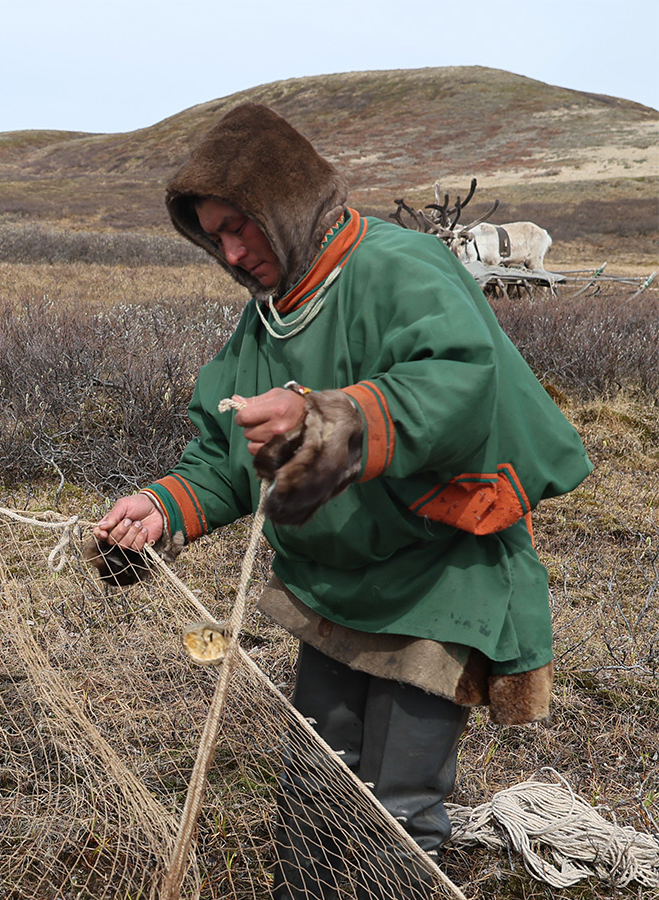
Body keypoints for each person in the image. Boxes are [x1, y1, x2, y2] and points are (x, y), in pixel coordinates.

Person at [90, 103, 591, 895]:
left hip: (435, 576)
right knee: (316, 796)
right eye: (214, 235)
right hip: (337, 587)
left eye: (241, 226)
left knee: (395, 811)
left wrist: (333, 419)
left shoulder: (402, 269)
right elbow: (225, 456)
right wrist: (165, 508)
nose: (231, 251)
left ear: (285, 205)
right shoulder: (268, 318)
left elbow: (456, 384)